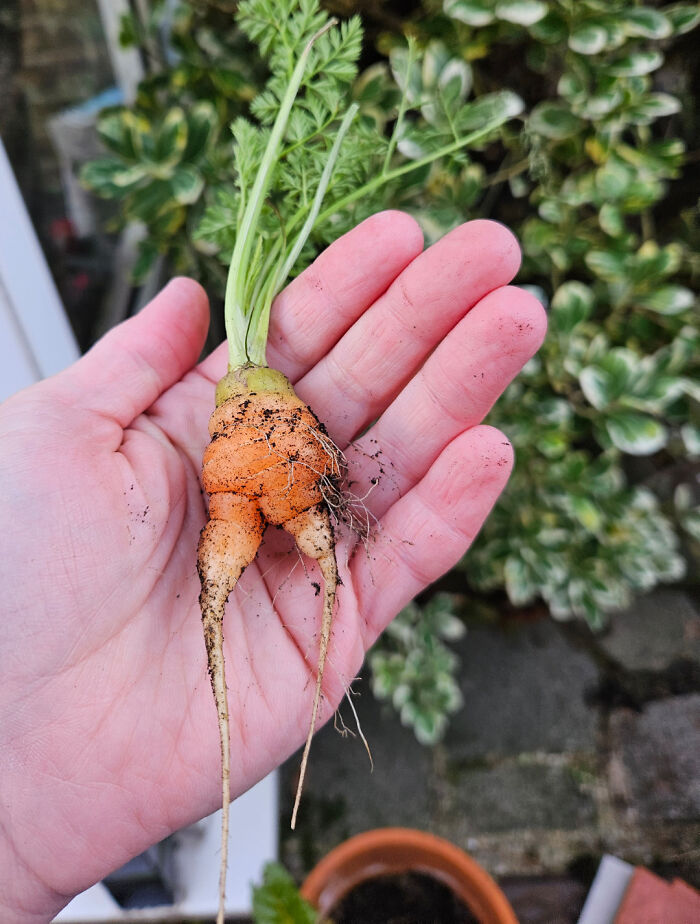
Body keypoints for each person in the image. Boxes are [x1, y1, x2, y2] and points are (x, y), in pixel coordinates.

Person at [0, 212, 546, 922]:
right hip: (253, 431)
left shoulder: (252, 425)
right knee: (241, 548)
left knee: (285, 535)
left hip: (255, 428)